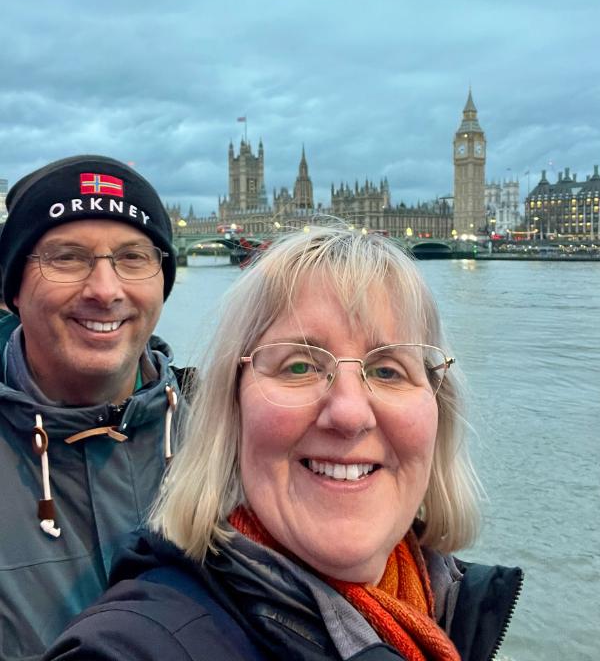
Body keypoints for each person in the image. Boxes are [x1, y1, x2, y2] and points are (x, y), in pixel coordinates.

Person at [45, 227, 523, 661]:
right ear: (229, 413)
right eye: (300, 366)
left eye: (387, 370)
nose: (351, 413)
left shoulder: (446, 608)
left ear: (439, 408)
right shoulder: (134, 646)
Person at [0, 155, 188, 661]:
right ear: (13, 288)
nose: (105, 290)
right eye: (66, 257)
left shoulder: (233, 437)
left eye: (133, 258)